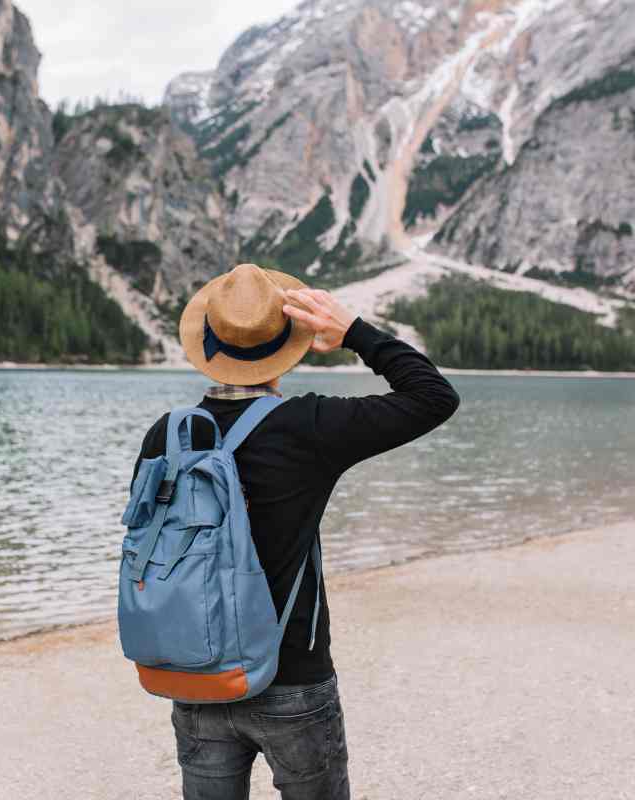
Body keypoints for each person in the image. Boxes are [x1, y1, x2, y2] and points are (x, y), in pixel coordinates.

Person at [131, 263, 460, 799]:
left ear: (210, 345)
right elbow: (432, 396)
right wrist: (354, 330)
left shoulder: (168, 435)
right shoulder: (308, 427)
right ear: (286, 347)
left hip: (196, 670)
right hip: (294, 679)